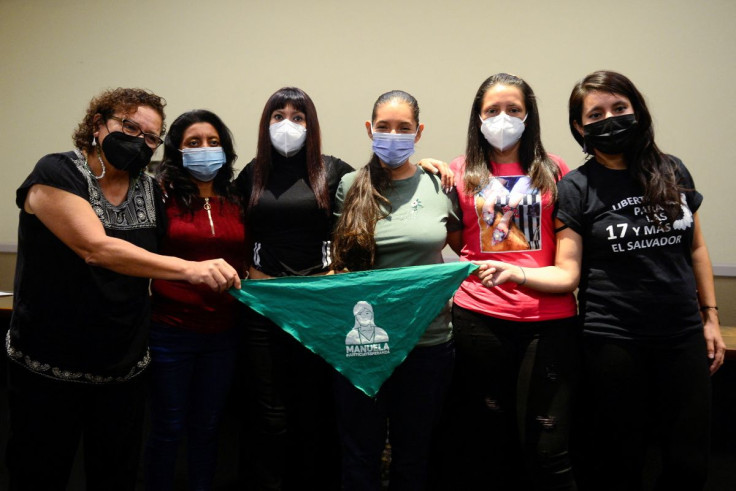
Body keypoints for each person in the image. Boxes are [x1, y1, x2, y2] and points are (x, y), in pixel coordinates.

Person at [479, 70, 725, 490]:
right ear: (580, 126)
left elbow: (696, 248)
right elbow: (569, 270)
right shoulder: (576, 185)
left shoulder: (672, 170)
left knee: (688, 460)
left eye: (619, 108)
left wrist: (710, 316)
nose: (609, 119)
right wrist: (518, 272)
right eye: (596, 114)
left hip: (681, 335)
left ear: (637, 110)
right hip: (612, 340)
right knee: (619, 459)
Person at [5, 89, 240, 491]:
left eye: (151, 137)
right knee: (40, 472)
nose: (139, 141)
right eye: (130, 127)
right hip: (50, 363)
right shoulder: (57, 171)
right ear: (98, 124)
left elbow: (181, 243)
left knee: (115, 476)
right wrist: (192, 271)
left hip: (123, 367)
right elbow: (96, 249)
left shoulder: (149, 189)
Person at [434, 73, 579, 491]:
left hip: (549, 321)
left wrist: (521, 272)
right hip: (480, 318)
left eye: (513, 109)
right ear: (477, 118)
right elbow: (462, 243)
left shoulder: (556, 170)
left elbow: (566, 257)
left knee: (548, 448)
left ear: (528, 115)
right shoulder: (459, 171)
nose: (503, 118)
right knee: (485, 444)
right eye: (492, 110)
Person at [331, 89, 463, 491]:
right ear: (370, 130)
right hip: (364, 345)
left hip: (428, 340)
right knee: (360, 454)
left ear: (418, 132)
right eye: (384, 127)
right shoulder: (350, 185)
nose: (393, 135)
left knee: (414, 452)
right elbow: (339, 263)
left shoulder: (439, 184)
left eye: (403, 128)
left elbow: (467, 248)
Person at [234, 86, 353, 490]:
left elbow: (377, 191)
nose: (288, 125)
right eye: (278, 116)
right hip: (263, 307)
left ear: (311, 124)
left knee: (316, 409)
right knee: (269, 414)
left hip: (318, 307)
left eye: (298, 117)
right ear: (265, 124)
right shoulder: (252, 173)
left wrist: (428, 163)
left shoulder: (332, 169)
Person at [144, 110, 247, 491]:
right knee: (168, 428)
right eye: (193, 143)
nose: (205, 149)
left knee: (209, 427)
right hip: (171, 332)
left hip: (224, 333)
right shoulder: (160, 194)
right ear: (177, 150)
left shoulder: (238, 196)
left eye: (213, 142)